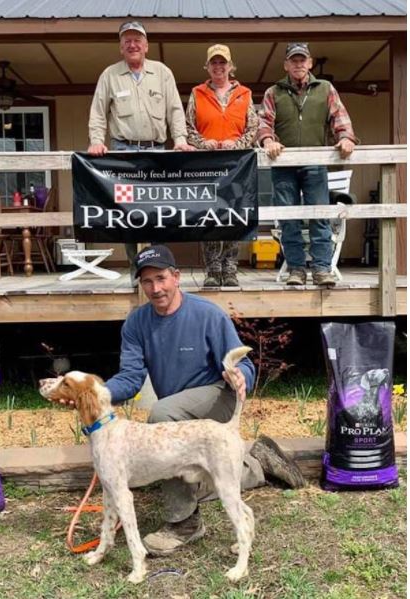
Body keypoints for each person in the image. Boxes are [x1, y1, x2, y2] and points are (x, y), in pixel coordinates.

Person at [105, 244, 305, 556]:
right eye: (147, 282)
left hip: (217, 398)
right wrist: (97, 394)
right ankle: (255, 463)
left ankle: (184, 523)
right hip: (180, 411)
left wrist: (240, 375)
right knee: (197, 460)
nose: (155, 289)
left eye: (161, 279)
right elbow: (130, 378)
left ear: (176, 276)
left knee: (161, 416)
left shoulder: (208, 315)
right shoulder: (136, 324)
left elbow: (244, 364)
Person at [87, 20, 194, 284]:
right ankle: (137, 269)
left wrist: (180, 139)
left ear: (146, 46)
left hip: (156, 151)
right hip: (124, 153)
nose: (133, 45)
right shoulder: (109, 75)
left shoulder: (162, 72)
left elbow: (174, 110)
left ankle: (158, 269)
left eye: (137, 40)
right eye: (127, 41)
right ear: (121, 47)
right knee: (130, 214)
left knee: (158, 212)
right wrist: (96, 141)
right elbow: (98, 113)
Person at [257, 42, 358, 288]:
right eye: (294, 60)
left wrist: (345, 137)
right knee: (288, 219)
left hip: (315, 164)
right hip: (283, 165)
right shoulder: (274, 92)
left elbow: (339, 118)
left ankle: (322, 269)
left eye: (302, 60)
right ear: (286, 65)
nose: (298, 64)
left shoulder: (325, 89)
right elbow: (263, 123)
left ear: (310, 63)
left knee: (319, 216)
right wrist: (268, 140)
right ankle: (296, 269)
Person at [186, 44, 259, 288]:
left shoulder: (245, 94)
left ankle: (230, 269)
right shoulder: (197, 93)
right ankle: (212, 270)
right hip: (207, 164)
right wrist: (202, 142)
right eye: (213, 63)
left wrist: (237, 143)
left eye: (222, 62)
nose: (218, 67)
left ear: (231, 66)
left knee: (233, 215)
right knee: (209, 216)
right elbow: (187, 127)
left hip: (236, 164)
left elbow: (253, 127)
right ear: (207, 66)